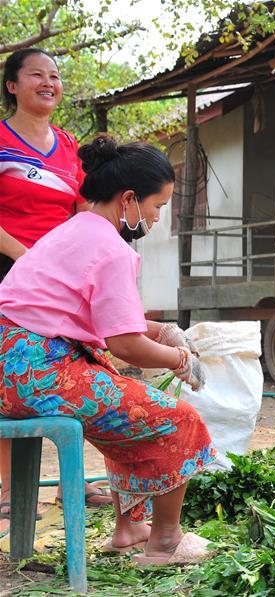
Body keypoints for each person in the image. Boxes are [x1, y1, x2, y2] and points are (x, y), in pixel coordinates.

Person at [0, 135, 215, 564]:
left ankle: (129, 528)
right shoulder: (112, 249)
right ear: (129, 199)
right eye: (156, 206)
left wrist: (163, 331)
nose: (155, 218)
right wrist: (181, 360)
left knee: (121, 401)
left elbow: (101, 318)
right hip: (38, 375)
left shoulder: (71, 231)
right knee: (178, 420)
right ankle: (166, 540)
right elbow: (125, 344)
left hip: (9, 369)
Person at [1, 47, 111, 518]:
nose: (49, 82)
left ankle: (73, 481)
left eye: (55, 75)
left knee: (74, 366)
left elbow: (83, 211)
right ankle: (9, 489)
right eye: (36, 75)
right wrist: (24, 257)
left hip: (59, 278)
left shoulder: (68, 145)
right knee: (9, 373)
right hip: (8, 271)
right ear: (12, 85)